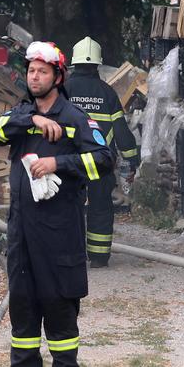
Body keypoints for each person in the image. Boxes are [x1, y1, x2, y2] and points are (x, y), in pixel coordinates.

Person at [0, 41, 116, 367]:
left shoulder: (74, 118)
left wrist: (58, 162)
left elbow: (104, 160)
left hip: (59, 231)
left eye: (42, 71)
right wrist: (31, 119)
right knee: (24, 302)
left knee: (59, 303)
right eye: (31, 70)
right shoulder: (22, 113)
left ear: (58, 77)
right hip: (22, 232)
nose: (35, 76)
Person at [66, 37, 137, 267]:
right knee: (100, 208)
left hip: (70, 162)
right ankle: (98, 257)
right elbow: (122, 132)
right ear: (98, 64)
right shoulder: (107, 93)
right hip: (100, 161)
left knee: (67, 208)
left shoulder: (63, 90)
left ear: (74, 62)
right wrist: (131, 159)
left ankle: (69, 254)